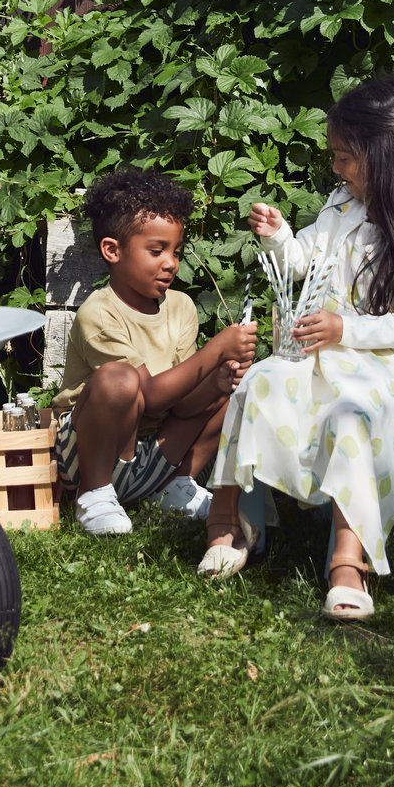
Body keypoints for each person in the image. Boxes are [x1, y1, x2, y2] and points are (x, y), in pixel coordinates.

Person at [198, 75, 394, 621]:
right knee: (259, 381)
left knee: (348, 414)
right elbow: (304, 265)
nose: (336, 170)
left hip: (385, 371)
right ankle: (228, 522)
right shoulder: (340, 206)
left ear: (383, 158)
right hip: (324, 360)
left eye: (345, 158)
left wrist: (348, 330)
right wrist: (279, 237)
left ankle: (348, 559)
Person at [51, 168, 258, 538]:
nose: (171, 263)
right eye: (156, 250)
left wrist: (218, 381)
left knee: (231, 387)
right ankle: (94, 496)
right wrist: (214, 350)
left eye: (176, 252)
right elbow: (147, 396)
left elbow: (183, 405)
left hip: (154, 453)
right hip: (89, 454)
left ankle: (177, 486)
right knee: (120, 380)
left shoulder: (180, 308)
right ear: (112, 250)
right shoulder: (99, 313)